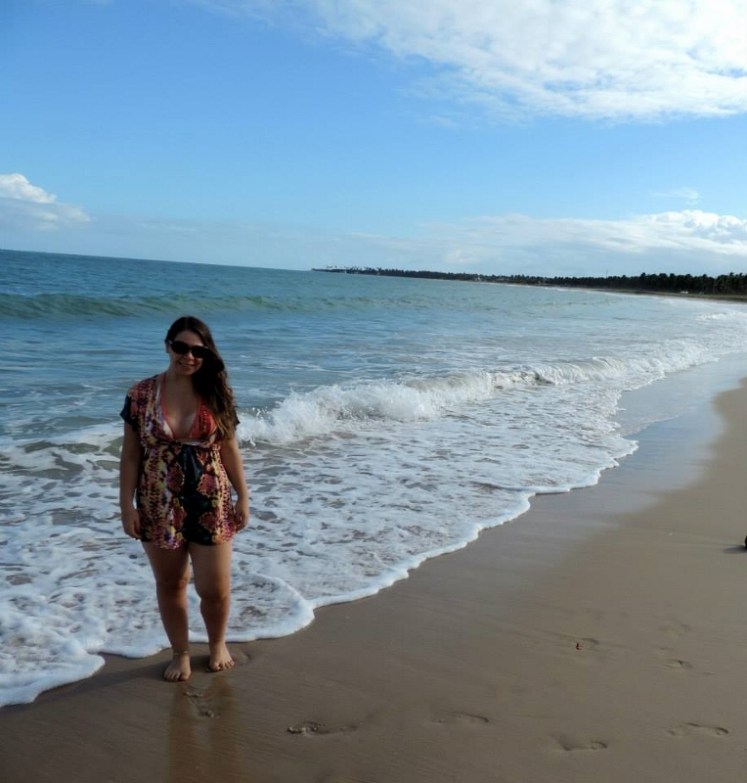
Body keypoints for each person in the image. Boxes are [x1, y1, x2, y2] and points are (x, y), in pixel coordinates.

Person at [119, 316, 249, 682]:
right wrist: (126, 506)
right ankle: (180, 653)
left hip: (211, 500)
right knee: (171, 583)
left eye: (198, 350)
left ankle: (218, 643)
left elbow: (230, 450)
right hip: (157, 502)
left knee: (215, 588)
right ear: (167, 346)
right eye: (181, 347)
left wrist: (243, 497)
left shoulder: (217, 394)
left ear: (206, 355)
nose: (188, 356)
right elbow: (130, 455)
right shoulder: (141, 394)